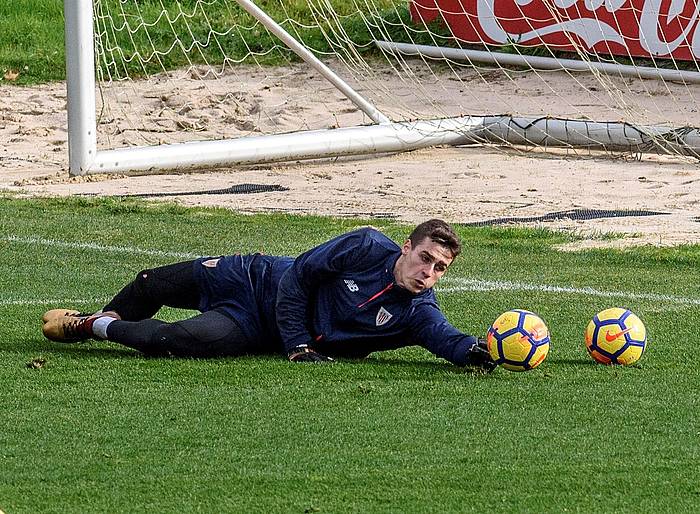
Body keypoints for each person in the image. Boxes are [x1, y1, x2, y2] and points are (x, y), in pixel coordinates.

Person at [42, 219, 495, 371]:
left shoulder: (416, 311)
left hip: (252, 325)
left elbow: (443, 337)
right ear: (406, 248)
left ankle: (94, 324)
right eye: (425, 258)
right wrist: (297, 344)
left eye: (440, 268)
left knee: (170, 341)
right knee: (150, 283)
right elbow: (300, 275)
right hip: (254, 278)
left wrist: (477, 351)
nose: (428, 273)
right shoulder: (365, 245)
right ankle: (101, 316)